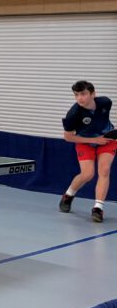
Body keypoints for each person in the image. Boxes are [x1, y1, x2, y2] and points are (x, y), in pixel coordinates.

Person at [59, 80, 116, 223]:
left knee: (104, 170)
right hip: (85, 142)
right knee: (88, 174)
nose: (80, 98)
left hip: (107, 140)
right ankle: (68, 195)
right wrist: (95, 140)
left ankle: (98, 208)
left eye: (83, 94)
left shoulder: (106, 102)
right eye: (76, 95)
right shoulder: (73, 114)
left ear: (93, 94)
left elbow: (103, 119)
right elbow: (68, 137)